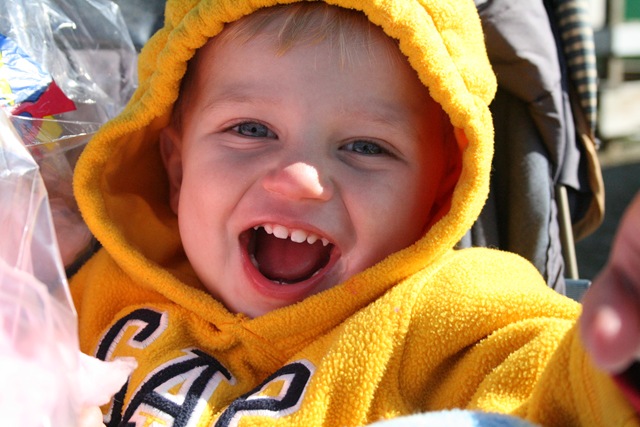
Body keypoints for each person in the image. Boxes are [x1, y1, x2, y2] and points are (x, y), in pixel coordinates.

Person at [68, 0, 640, 425]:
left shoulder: (450, 311)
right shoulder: (105, 289)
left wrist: (618, 364)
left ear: (437, 194)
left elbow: (555, 384)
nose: (299, 180)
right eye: (250, 130)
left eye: (366, 147)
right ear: (177, 169)